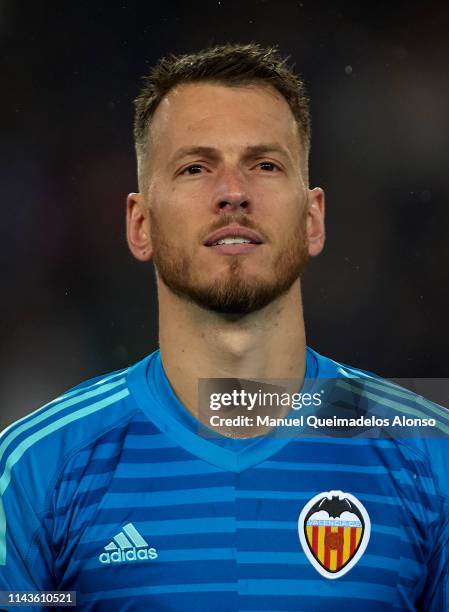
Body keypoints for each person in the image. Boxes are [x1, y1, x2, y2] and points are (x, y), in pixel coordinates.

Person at [0, 43, 448, 611]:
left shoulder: (430, 455)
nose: (233, 193)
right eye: (195, 167)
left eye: (264, 165)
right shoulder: (37, 468)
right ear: (140, 224)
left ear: (314, 219)